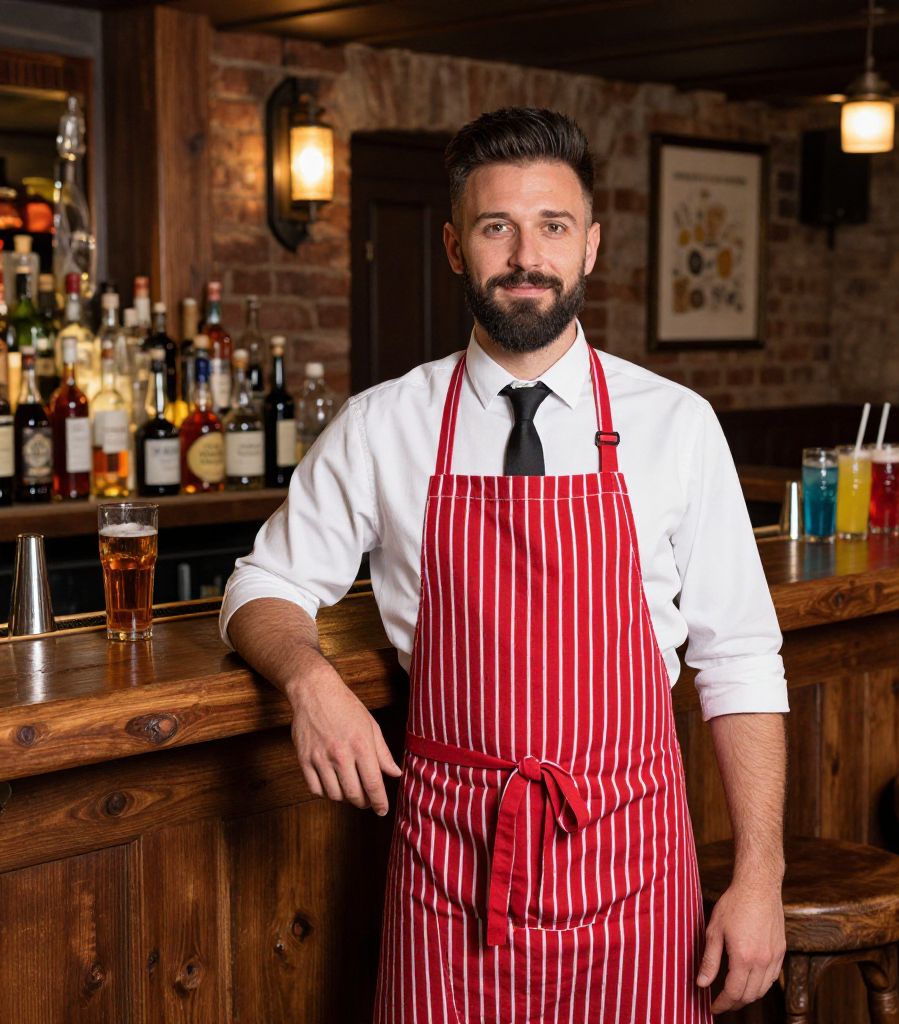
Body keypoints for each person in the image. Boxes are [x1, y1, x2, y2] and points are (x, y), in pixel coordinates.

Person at [221, 107, 788, 1022]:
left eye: (553, 226)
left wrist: (760, 876)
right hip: (448, 871)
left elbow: (741, 660)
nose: (527, 255)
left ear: (591, 245)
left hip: (633, 863)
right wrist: (308, 679)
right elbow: (263, 585)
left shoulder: (677, 426)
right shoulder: (384, 424)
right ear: (454, 247)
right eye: (497, 227)